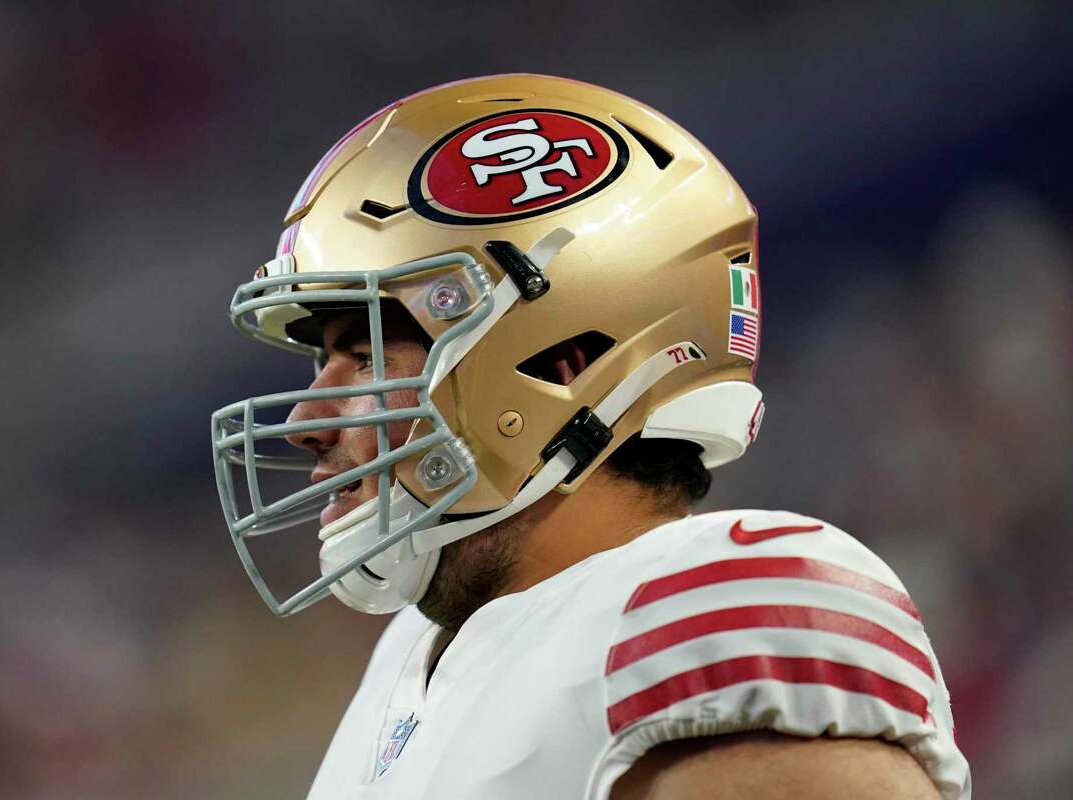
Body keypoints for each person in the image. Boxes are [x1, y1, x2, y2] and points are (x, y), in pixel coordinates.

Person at [210, 74, 971, 799]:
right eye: (322, 359)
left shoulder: (724, 599)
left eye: (365, 350)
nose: (306, 420)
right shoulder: (406, 661)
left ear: (560, 363)